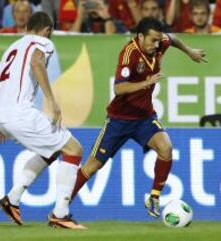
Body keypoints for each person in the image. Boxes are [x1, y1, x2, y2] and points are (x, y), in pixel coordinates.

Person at [69, 17, 206, 219]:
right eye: (152, 40)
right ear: (140, 37)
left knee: (166, 147)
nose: (157, 44)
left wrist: (190, 52)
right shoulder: (128, 55)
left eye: (158, 40)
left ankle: (154, 197)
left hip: (144, 117)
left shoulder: (159, 44)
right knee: (93, 165)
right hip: (119, 119)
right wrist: (146, 82)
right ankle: (62, 207)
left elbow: (173, 38)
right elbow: (119, 88)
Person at [0, 12, 85, 230]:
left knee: (50, 150)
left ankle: (12, 199)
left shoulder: (11, 48)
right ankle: (61, 214)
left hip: (3, 117)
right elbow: (36, 63)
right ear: (47, 30)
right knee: (73, 150)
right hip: (20, 113)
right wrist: (52, 101)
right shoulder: (42, 42)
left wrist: (0, 122)